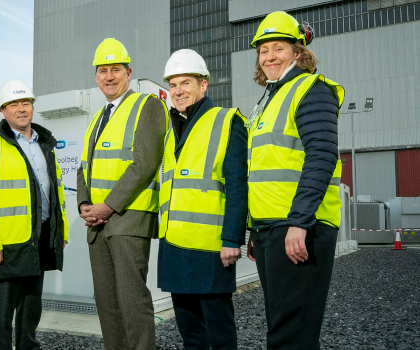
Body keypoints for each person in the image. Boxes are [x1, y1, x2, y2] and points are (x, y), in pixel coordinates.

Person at [245, 11, 345, 350]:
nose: (270, 56)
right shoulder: (269, 100)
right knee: (284, 327)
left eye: (278, 48)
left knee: (291, 334)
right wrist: (254, 228)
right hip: (273, 229)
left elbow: (322, 156)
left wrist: (299, 222)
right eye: (264, 50)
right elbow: (263, 169)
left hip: (300, 228)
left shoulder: (311, 90)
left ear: (298, 52)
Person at [76, 38, 168, 350]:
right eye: (103, 71)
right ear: (96, 76)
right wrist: (85, 204)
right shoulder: (98, 118)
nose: (109, 76)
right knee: (107, 306)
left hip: (128, 221)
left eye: (115, 70)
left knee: (132, 304)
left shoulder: (147, 106)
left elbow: (145, 164)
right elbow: (83, 167)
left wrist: (107, 206)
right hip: (97, 225)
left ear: (128, 73)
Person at [0, 80, 68, 350]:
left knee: (30, 313)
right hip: (6, 245)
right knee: (1, 318)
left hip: (40, 238)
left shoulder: (45, 145)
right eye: (14, 104)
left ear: (32, 107)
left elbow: (55, 194)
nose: (21, 109)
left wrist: (61, 232)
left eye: (26, 103)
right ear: (3, 110)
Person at [157, 49, 247, 350]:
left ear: (203, 84)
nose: (178, 91)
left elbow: (237, 185)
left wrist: (233, 239)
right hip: (174, 245)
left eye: (185, 83)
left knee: (219, 333)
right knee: (190, 334)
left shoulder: (226, 121)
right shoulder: (172, 131)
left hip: (210, 248)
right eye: (173, 85)